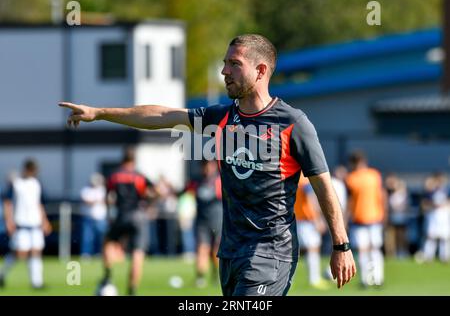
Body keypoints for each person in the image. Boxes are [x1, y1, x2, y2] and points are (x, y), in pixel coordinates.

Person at [59, 33, 356, 296]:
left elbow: (324, 187)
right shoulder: (221, 117)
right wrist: (98, 112)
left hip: (271, 251)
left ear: (261, 70)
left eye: (234, 64)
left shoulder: (293, 123)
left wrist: (341, 246)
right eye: (225, 63)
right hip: (229, 253)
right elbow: (163, 116)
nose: (224, 71)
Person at [99, 147, 153, 296]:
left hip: (121, 215)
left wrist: (109, 214)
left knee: (108, 242)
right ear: (134, 161)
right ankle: (132, 290)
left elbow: (108, 196)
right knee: (137, 253)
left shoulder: (114, 176)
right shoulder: (139, 176)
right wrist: (149, 206)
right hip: (139, 216)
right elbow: (155, 192)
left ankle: (108, 275)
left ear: (122, 160)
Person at [0, 159, 52, 289]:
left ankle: (36, 282)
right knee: (19, 253)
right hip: (21, 223)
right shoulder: (16, 183)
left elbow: (39, 203)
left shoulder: (36, 184)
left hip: (35, 223)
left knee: (36, 252)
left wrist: (44, 221)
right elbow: (8, 203)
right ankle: (2, 274)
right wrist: (8, 221)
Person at [345, 151, 386, 288]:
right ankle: (378, 278)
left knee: (363, 251)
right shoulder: (374, 175)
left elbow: (349, 202)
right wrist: (384, 214)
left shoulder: (351, 178)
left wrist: (344, 220)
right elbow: (382, 196)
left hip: (359, 219)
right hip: (375, 217)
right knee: (375, 249)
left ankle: (365, 279)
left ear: (352, 163)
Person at [191, 160, 223, 288]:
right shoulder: (197, 181)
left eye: (209, 165)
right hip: (202, 221)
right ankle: (200, 278)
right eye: (204, 165)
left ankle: (217, 275)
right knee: (202, 249)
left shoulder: (220, 180)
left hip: (218, 220)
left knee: (216, 251)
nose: (207, 168)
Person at [294, 174, 329, 289]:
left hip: (297, 218)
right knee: (313, 248)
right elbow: (311, 200)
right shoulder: (304, 180)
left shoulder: (293, 177)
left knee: (303, 249)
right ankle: (314, 279)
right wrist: (317, 219)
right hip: (307, 219)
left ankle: (313, 278)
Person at [419, 172, 450, 263]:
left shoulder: (447, 190)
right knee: (431, 236)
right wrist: (433, 205)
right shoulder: (431, 191)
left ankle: (445, 257)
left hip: (444, 215)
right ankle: (428, 256)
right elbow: (424, 203)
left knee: (445, 237)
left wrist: (444, 205)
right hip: (433, 215)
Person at [79, 173, 108, 259]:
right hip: (88, 218)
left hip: (100, 218)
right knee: (87, 237)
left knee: (100, 237)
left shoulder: (102, 189)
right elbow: (86, 201)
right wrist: (96, 201)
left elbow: (106, 201)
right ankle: (86, 254)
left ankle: (98, 253)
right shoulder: (86, 190)